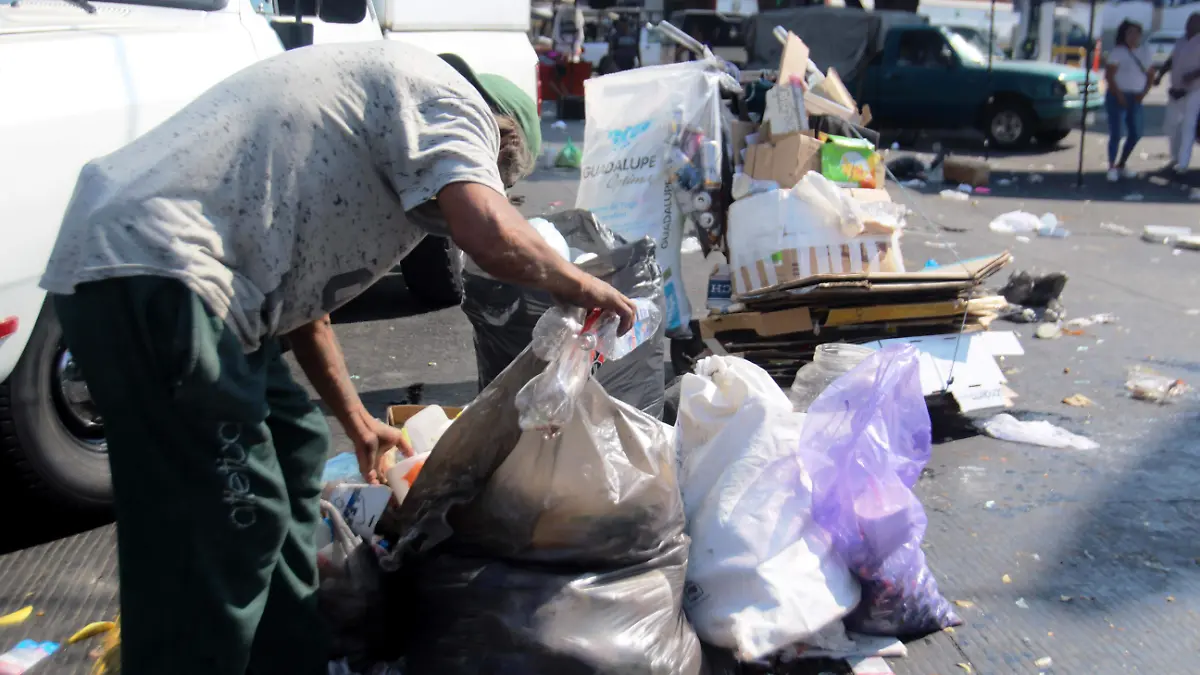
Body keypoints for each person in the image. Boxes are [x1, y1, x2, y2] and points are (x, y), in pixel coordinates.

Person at [38, 42, 635, 675]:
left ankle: (287, 657)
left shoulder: (383, 132)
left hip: (176, 279)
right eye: (494, 179)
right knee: (225, 516)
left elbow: (307, 310)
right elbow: (486, 230)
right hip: (161, 274)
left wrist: (355, 419)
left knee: (295, 447)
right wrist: (581, 283)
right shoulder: (454, 105)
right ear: (497, 144)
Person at [1104, 20, 1157, 182]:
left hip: (1136, 97)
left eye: (1137, 33)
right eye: (1130, 33)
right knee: (1116, 133)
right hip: (1117, 95)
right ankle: (1112, 166)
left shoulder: (1145, 52)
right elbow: (1109, 76)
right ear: (1124, 34)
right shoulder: (1118, 52)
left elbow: (1150, 75)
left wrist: (1144, 93)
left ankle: (1122, 164)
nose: (1134, 36)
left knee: (1136, 133)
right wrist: (1119, 94)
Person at [1155, 13, 1200, 174]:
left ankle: (1183, 163)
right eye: (1189, 21)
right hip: (1176, 89)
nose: (1189, 25)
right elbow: (1171, 60)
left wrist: (1194, 75)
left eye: (1194, 22)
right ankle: (1175, 157)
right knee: (1171, 125)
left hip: (1194, 90)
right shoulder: (1181, 40)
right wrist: (1160, 75)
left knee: (1189, 125)